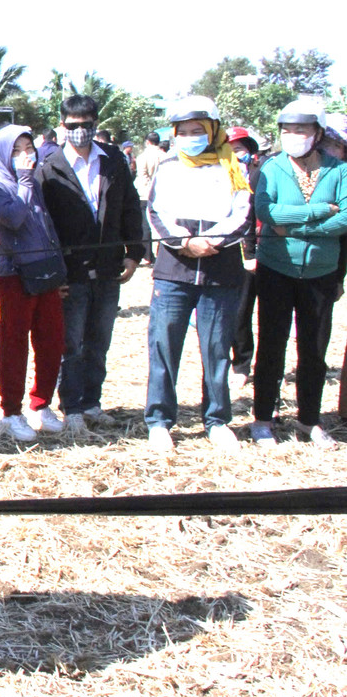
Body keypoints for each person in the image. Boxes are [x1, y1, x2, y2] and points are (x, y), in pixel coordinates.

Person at [145, 96, 253, 452]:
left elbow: (242, 215)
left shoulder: (232, 166)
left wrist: (212, 240)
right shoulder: (168, 166)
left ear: (212, 130)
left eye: (198, 130)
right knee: (164, 346)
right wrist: (185, 243)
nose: (191, 137)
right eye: (184, 131)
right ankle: (159, 420)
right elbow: (156, 213)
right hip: (174, 270)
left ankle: (218, 420)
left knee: (217, 348)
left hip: (221, 271)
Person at [35, 94, 143, 433]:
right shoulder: (50, 168)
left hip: (109, 265)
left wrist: (134, 251)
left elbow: (129, 206)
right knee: (72, 343)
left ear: (96, 123)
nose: (80, 131)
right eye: (73, 125)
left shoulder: (113, 160)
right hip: (72, 269)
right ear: (63, 125)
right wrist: (53, 271)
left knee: (100, 340)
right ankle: (73, 406)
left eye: (86, 125)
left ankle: (92, 402)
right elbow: (44, 223)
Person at [249, 100, 347, 448]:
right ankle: (262, 419)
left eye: (302, 130)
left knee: (314, 350)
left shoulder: (338, 170)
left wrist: (297, 227)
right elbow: (265, 210)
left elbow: (346, 216)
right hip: (277, 269)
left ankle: (309, 419)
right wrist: (320, 212)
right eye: (287, 130)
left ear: (318, 134)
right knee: (271, 346)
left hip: (321, 272)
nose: (294, 136)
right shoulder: (272, 168)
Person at [0, 125, 67, 441]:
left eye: (29, 148)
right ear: (4, 153)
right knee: (14, 343)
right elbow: (15, 218)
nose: (25, 156)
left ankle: (42, 403)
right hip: (14, 275)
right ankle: (11, 412)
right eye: (17, 150)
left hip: (46, 272)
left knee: (51, 341)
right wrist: (24, 180)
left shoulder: (34, 182)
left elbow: (46, 225)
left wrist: (60, 268)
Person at [225, 126, 263, 385]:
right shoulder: (220, 177)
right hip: (236, 252)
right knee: (239, 312)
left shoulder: (261, 176)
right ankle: (240, 364)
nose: (237, 154)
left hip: (266, 251)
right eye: (231, 149)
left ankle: (264, 366)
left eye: (240, 149)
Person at [135, 131, 164, 262]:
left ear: (147, 142)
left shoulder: (142, 157)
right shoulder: (166, 155)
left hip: (145, 193)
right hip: (163, 194)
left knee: (145, 224)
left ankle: (147, 255)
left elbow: (143, 176)